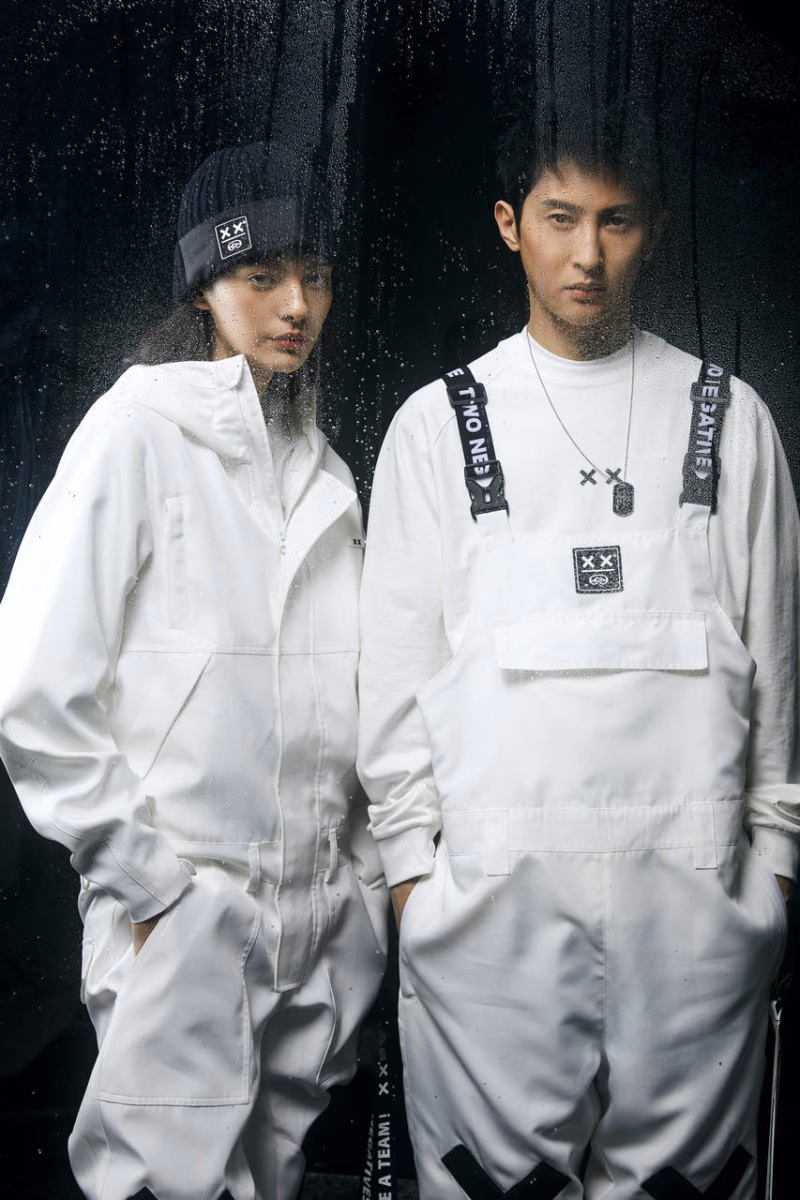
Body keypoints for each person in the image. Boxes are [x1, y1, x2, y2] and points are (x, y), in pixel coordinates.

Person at [357, 112, 800, 1200]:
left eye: (617, 221)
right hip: (488, 929)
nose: (587, 254)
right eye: (560, 219)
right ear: (510, 225)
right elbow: (393, 692)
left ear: (655, 231)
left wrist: (773, 883)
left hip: (696, 919)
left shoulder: (731, 419)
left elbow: (780, 683)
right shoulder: (435, 426)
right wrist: (415, 889)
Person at [0, 141, 387, 1200]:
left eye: (315, 276)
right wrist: (153, 887)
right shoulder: (135, 433)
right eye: (261, 276)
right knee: (161, 1184)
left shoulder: (328, 477)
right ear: (204, 286)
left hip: (318, 926)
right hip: (184, 911)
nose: (296, 305)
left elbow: (349, 695)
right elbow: (31, 687)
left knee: (275, 1178)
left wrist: (355, 887)